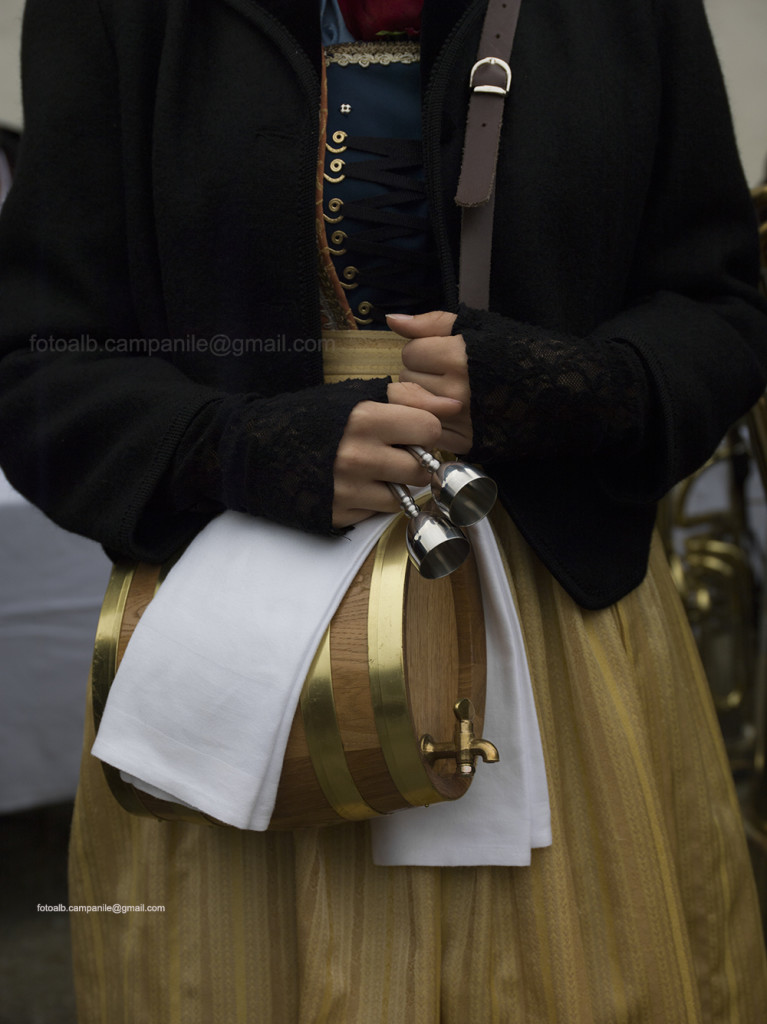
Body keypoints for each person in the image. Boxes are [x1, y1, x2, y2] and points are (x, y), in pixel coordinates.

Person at [1, 0, 766, 1020]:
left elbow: (715, 306)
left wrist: (574, 386)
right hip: (238, 656)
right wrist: (239, 449)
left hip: (554, 634)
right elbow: (39, 365)